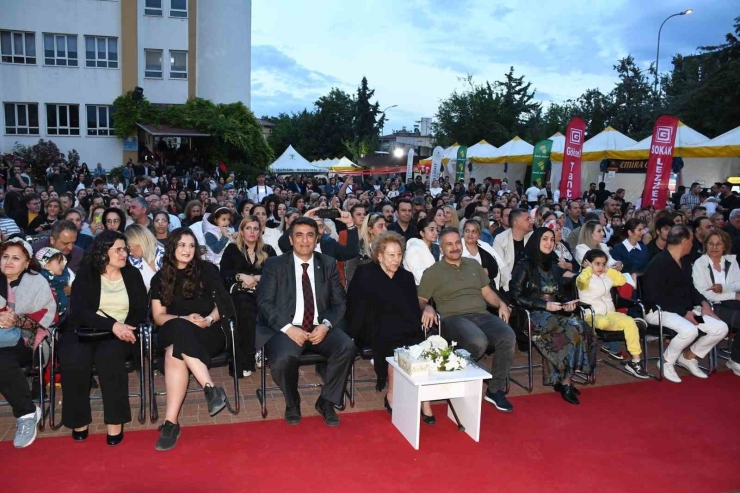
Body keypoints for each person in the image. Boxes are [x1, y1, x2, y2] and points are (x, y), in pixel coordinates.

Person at [256, 217, 355, 427]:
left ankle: (326, 401)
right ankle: (292, 402)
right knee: (283, 359)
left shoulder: (327, 264)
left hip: (320, 327)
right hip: (286, 328)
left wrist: (326, 325)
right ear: (290, 240)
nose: (304, 240)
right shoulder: (275, 264)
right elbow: (264, 303)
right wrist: (289, 328)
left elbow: (340, 304)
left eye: (310, 235)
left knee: (346, 346)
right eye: (298, 235)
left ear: (317, 239)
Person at [60, 231, 148, 446]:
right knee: (74, 359)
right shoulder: (87, 274)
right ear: (102, 252)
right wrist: (112, 325)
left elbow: (140, 309)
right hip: (84, 330)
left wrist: (126, 327)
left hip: (120, 334)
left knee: (111, 359)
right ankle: (78, 420)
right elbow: (80, 311)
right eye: (117, 249)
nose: (123, 253)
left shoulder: (132, 274)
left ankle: (115, 422)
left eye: (124, 249)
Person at [151, 228, 234, 451]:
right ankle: (210, 387)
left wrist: (208, 319)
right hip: (173, 328)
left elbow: (223, 306)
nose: (187, 250)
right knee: (179, 326)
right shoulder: (160, 278)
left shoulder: (207, 270)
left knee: (173, 353)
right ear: (172, 248)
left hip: (208, 331)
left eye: (191, 245)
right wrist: (184, 319)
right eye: (181, 245)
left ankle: (171, 423)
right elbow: (158, 316)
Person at [418, 227, 515, 412]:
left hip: (481, 315)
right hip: (452, 319)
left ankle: (494, 390)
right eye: (449, 244)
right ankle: (460, 371)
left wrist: (501, 304)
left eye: (457, 243)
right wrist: (428, 307)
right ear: (441, 248)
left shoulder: (473, 265)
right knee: (478, 341)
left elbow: (487, 293)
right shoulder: (433, 272)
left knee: (507, 335)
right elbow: (420, 300)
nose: (454, 247)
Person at [347, 231, 434, 423]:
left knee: (420, 345)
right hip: (372, 326)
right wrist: (352, 333)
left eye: (399, 255)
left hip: (404, 324)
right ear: (379, 256)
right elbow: (355, 307)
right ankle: (391, 395)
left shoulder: (406, 277)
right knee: (395, 343)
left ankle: (425, 400)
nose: (396, 260)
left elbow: (413, 308)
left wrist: (427, 307)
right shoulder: (365, 273)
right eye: (391, 255)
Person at [509, 227, 596, 404]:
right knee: (571, 330)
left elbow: (561, 295)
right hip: (531, 315)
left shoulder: (554, 266)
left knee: (582, 327)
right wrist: (544, 304)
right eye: (544, 239)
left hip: (554, 312)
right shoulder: (524, 265)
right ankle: (565, 382)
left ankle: (564, 377)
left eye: (551, 240)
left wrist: (568, 304)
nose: (549, 243)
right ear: (536, 241)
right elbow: (515, 297)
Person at [642, 226, 729, 383]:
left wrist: (704, 303)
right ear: (684, 241)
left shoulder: (684, 261)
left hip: (685, 312)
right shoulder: (659, 263)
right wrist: (684, 313)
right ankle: (666, 362)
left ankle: (688, 357)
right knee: (689, 330)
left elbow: (690, 288)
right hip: (659, 312)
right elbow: (655, 297)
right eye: (691, 240)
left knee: (719, 328)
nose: (693, 244)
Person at [0, 239, 57, 448]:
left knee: (2, 359)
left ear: (26, 263)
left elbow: (47, 317)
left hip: (28, 341)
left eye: (16, 258)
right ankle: (27, 410)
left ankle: (26, 414)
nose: (8, 261)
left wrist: (15, 319)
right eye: (5, 256)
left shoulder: (36, 282)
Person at [576, 249, 649, 379]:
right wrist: (587, 270)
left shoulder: (606, 276)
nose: (601, 267)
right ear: (587, 263)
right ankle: (627, 325)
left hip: (610, 313)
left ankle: (635, 362)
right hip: (591, 315)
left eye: (603, 264)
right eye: (597, 264)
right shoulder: (582, 277)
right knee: (606, 322)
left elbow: (621, 280)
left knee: (629, 322)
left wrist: (608, 270)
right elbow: (581, 284)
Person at [220, 215, 277, 377]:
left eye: (256, 229)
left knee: (263, 307)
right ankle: (248, 358)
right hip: (239, 293)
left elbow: (276, 273)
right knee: (245, 307)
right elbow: (223, 273)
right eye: (248, 228)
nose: (252, 232)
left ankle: (261, 350)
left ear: (260, 232)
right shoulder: (232, 249)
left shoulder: (268, 250)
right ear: (242, 231)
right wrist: (241, 276)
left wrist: (260, 278)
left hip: (263, 292)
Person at [691, 230, 740, 376]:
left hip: (732, 302)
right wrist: (733, 295)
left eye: (719, 244)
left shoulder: (731, 261)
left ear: (725, 246)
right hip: (709, 307)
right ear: (706, 245)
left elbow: (738, 283)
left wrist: (723, 288)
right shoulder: (700, 263)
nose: (714, 247)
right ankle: (736, 360)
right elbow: (704, 293)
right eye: (711, 243)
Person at [493, 208, 533, 291]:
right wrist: (512, 288)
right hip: (507, 286)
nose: (531, 222)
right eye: (527, 219)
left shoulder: (533, 237)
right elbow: (502, 268)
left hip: (530, 285)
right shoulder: (500, 239)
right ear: (517, 223)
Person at [462, 219, 504, 292]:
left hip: (487, 288)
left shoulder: (485, 247)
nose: (470, 234)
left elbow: (497, 267)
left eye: (474, 231)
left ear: (479, 235)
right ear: (463, 232)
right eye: (467, 231)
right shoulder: (456, 247)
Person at [35, 247, 74, 317]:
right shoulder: (40, 276)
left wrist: (71, 288)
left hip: (65, 307)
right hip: (47, 311)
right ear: (46, 265)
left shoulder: (66, 272)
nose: (62, 264)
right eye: (59, 262)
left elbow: (75, 282)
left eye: (62, 261)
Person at [125, 224, 164, 291]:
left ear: (140, 242)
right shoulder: (131, 261)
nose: (129, 251)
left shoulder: (166, 255)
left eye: (129, 246)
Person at [403, 218, 441, 285]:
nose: (436, 232)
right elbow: (419, 275)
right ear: (422, 233)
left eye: (436, 229)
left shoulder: (436, 247)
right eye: (431, 229)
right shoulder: (413, 249)